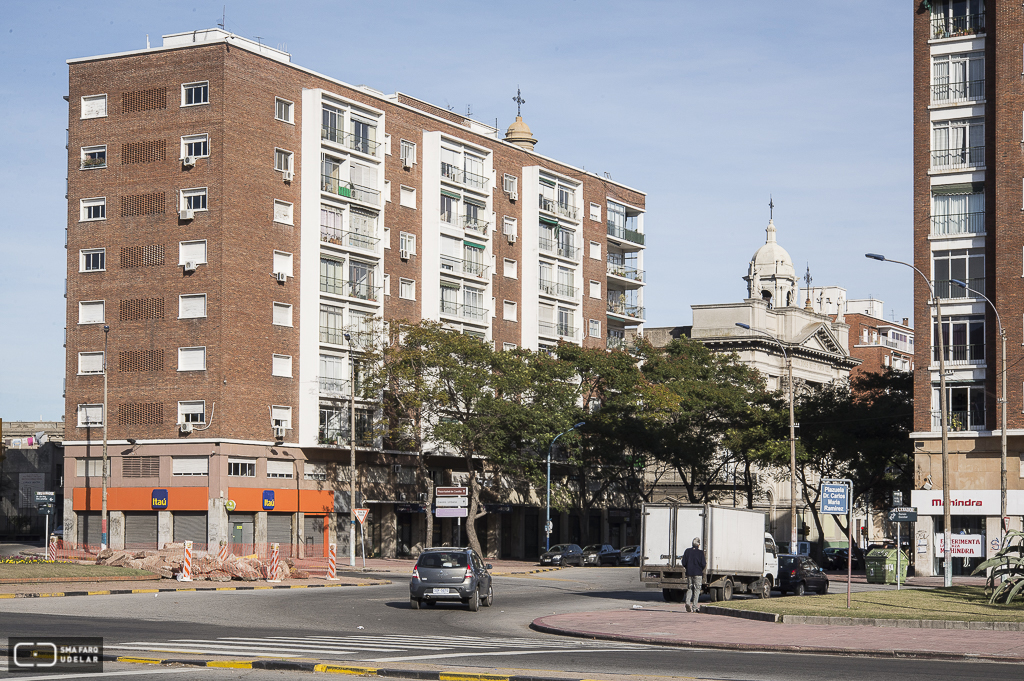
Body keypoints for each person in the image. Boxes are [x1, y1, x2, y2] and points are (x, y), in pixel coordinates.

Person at [681, 537, 706, 613]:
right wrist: (700, 569)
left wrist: (688, 567)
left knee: (689, 588)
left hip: (689, 573)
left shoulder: (687, 551)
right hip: (698, 573)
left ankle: (687, 602)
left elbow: (684, 562)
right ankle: (694, 607)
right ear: (698, 545)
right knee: (697, 589)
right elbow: (703, 564)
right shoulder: (700, 552)